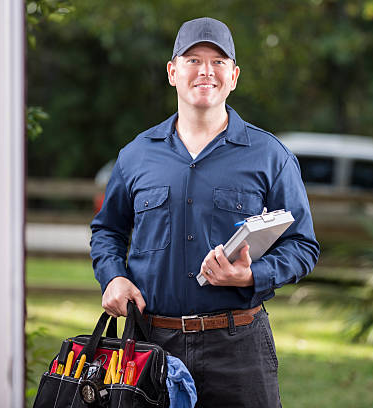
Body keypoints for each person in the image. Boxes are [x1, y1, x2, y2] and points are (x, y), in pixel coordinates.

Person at [90, 17, 320, 407]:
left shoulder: (270, 156)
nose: (205, 71)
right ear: (172, 71)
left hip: (239, 348)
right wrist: (112, 278)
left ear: (233, 75)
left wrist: (252, 275)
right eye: (193, 60)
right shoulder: (136, 155)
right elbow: (107, 231)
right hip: (151, 346)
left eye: (217, 62)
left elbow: (302, 246)